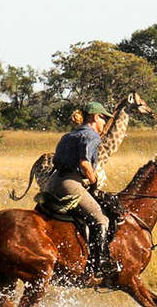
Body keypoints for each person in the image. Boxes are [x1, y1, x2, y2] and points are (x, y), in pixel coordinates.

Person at [47, 102, 122, 282]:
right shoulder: (91, 136)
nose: (105, 122)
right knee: (101, 218)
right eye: (103, 118)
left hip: (53, 182)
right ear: (95, 117)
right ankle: (100, 264)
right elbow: (84, 163)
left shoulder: (69, 135)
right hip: (70, 183)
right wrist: (94, 180)